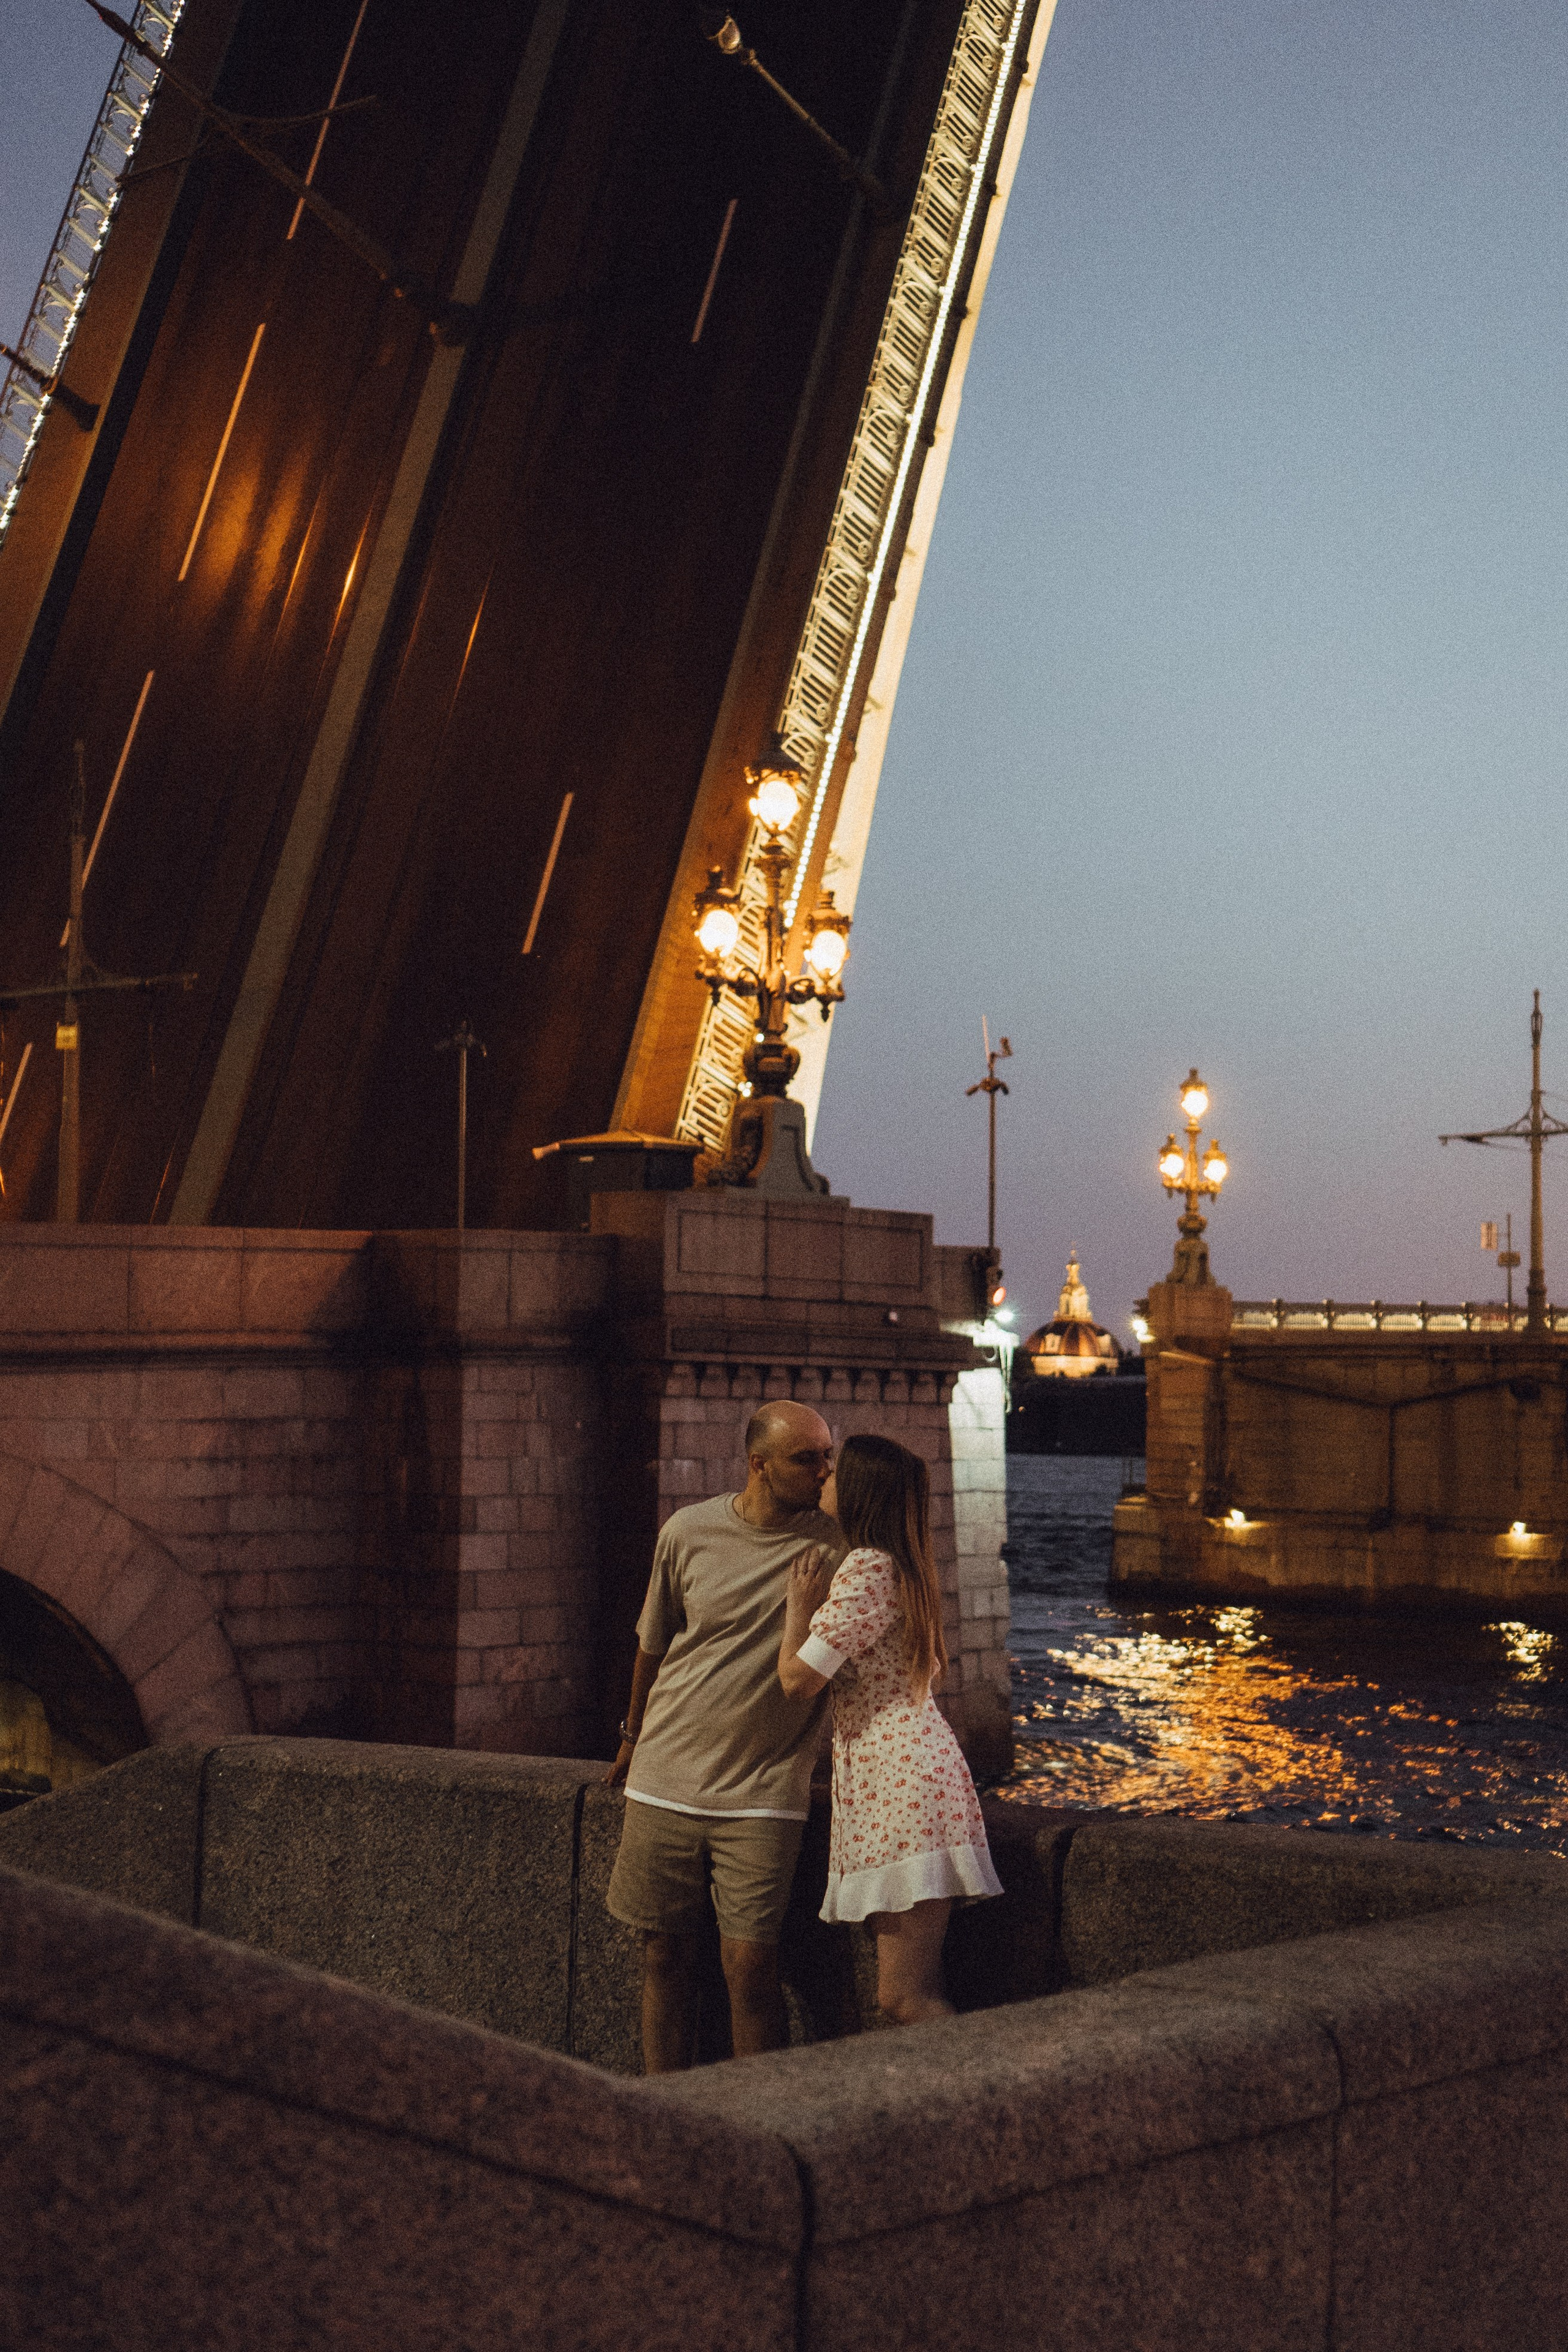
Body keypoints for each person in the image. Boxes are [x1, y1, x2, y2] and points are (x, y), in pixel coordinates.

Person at [605, 1398, 840, 2073]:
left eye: (829, 1454)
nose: (824, 1471)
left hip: (765, 1791)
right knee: (662, 1955)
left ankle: (753, 2121)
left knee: (752, 1967)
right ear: (758, 1466)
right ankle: (665, 2106)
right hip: (664, 1778)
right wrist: (632, 1734)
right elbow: (653, 1643)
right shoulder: (688, 1531)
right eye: (807, 1459)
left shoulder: (835, 1544)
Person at [777, 1431, 1001, 2025]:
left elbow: (798, 1681)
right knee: (907, 1993)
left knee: (905, 1997)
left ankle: (980, 2100)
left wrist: (798, 1609)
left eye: (834, 1471)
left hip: (900, 1785)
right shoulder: (896, 1564)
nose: (822, 1476)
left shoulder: (867, 1568)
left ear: (859, 1490)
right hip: (900, 1777)